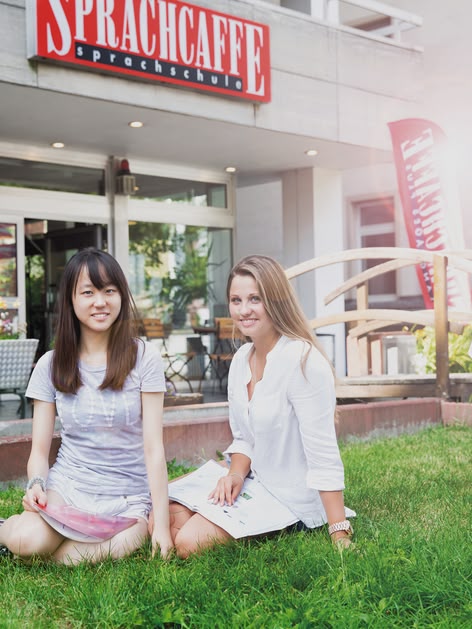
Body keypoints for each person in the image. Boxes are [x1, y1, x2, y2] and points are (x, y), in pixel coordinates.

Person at [165, 254, 354, 558]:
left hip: (291, 499)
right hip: (255, 484)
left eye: (255, 299)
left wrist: (339, 531)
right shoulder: (241, 360)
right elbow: (245, 438)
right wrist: (235, 476)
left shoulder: (303, 362)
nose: (244, 310)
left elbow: (324, 455)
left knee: (187, 542)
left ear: (275, 300)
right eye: (236, 300)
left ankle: (267, 526)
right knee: (167, 513)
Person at [0, 248, 172, 564]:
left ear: (122, 296)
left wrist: (161, 525)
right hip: (69, 488)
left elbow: (153, 449)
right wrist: (37, 483)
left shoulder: (144, 358)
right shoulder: (51, 365)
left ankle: (52, 546)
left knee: (83, 556)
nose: (100, 302)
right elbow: (39, 451)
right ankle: (9, 532)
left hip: (126, 498)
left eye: (109, 291)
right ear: (71, 300)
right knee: (26, 540)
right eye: (88, 292)